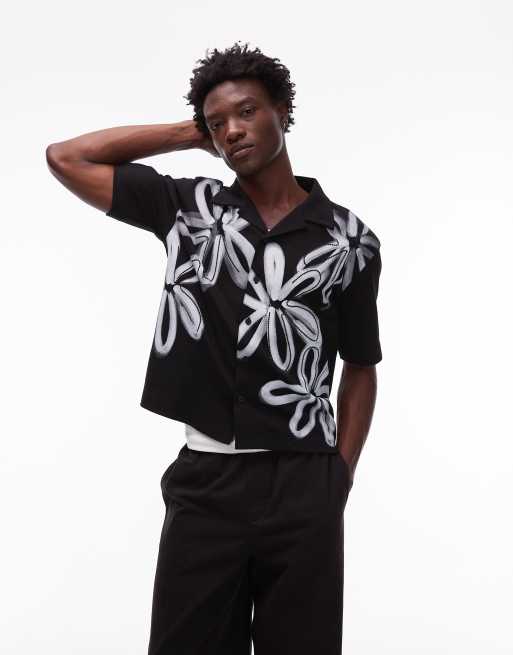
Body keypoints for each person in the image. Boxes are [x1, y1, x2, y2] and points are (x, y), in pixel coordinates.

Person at [46, 41, 382, 655]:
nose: (233, 130)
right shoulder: (188, 209)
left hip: (305, 483)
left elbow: (361, 364)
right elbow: (66, 157)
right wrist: (187, 134)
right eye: (217, 121)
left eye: (247, 111)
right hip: (207, 481)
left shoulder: (349, 241)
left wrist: (341, 473)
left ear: (283, 112)